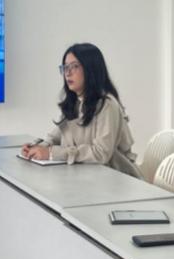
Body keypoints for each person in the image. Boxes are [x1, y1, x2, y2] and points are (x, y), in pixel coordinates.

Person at [21, 43, 141, 178]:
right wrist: (37, 147)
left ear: (91, 69)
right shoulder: (74, 102)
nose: (68, 73)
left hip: (117, 180)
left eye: (75, 66)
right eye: (65, 67)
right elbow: (56, 137)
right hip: (89, 178)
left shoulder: (107, 104)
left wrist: (51, 153)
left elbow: (101, 153)